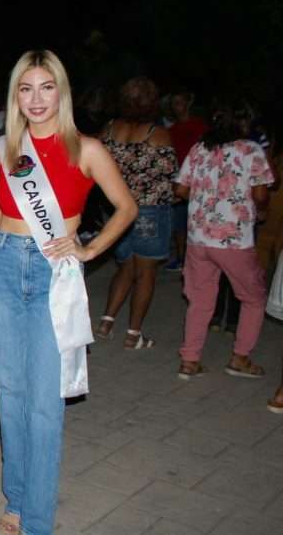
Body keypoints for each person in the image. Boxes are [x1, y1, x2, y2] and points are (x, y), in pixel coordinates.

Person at [0, 50, 136, 535]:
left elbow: (126, 207)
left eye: (46, 87)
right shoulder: (3, 148)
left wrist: (89, 250)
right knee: (10, 392)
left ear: (61, 93)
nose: (36, 99)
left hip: (53, 273)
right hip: (2, 266)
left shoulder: (87, 149)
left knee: (45, 401)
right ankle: (17, 496)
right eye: (26, 89)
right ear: (15, 96)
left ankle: (37, 519)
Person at [174, 98, 274, 381]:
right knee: (253, 298)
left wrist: (206, 198)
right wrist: (257, 207)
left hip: (198, 237)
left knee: (200, 299)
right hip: (234, 239)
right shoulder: (251, 150)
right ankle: (240, 358)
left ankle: (190, 360)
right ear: (244, 122)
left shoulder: (200, 148)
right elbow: (261, 194)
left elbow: (180, 189)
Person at [95, 77, 177, 348]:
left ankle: (106, 322)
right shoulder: (157, 134)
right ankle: (133, 334)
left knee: (126, 266)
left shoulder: (108, 129)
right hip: (149, 211)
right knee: (145, 272)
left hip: (117, 210)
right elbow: (171, 174)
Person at [166, 91, 207, 270]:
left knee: (197, 221)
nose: (176, 106)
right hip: (179, 178)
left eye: (179, 102)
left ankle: (196, 259)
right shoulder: (171, 130)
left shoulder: (201, 127)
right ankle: (181, 257)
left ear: (188, 103)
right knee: (179, 222)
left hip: (199, 179)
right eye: (174, 102)